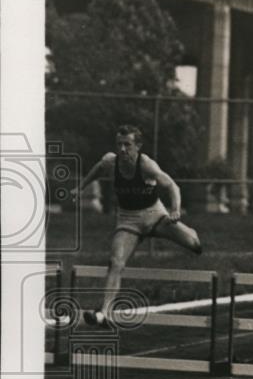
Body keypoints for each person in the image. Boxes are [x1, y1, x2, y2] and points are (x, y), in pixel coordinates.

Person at [71, 124, 203, 327]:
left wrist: (175, 210)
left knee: (194, 244)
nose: (122, 149)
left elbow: (172, 186)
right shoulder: (110, 161)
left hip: (155, 216)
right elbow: (97, 170)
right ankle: (104, 312)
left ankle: (190, 232)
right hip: (128, 220)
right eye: (119, 144)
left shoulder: (146, 165)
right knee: (116, 262)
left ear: (138, 146)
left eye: (127, 145)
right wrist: (80, 188)